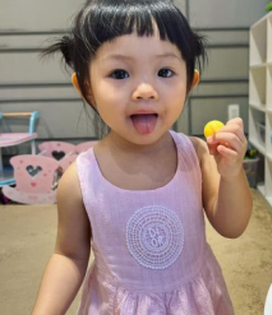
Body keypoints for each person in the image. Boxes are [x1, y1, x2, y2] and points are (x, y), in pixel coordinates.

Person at [32, 0, 252, 313]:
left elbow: (233, 226)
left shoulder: (198, 155)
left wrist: (231, 174)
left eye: (165, 71)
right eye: (120, 73)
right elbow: (69, 255)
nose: (145, 90)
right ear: (87, 89)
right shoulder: (80, 180)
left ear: (189, 83)